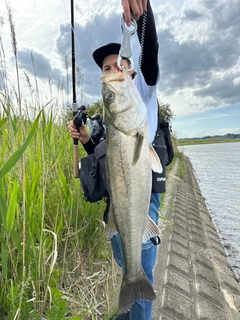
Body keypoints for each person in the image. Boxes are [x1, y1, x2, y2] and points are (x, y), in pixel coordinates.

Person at [68, 0, 161, 319]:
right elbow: (106, 160)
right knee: (127, 266)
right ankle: (128, 303)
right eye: (106, 70)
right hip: (118, 206)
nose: (113, 73)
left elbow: (151, 54)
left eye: (118, 66)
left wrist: (144, 14)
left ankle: (136, 308)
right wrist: (87, 141)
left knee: (142, 272)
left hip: (141, 202)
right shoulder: (107, 120)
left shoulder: (143, 93)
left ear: (130, 70)